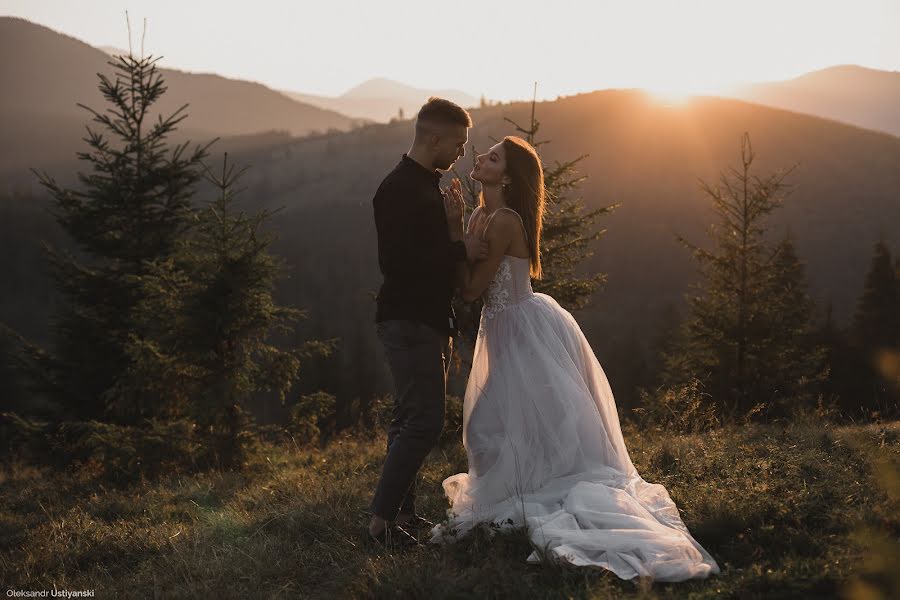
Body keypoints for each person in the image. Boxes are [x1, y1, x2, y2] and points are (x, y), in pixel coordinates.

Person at [433, 136, 720, 582]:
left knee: (509, 419)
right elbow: (469, 285)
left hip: (522, 328)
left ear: (506, 176)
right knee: (499, 421)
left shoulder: (505, 220)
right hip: (501, 327)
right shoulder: (480, 214)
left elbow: (469, 289)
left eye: (492, 158)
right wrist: (460, 232)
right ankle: (526, 487)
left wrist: (453, 232)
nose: (481, 159)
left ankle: (543, 492)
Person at [368, 97, 488, 546]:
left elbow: (431, 255)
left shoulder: (427, 186)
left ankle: (400, 514)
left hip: (427, 318)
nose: (461, 152)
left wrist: (454, 225)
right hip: (407, 318)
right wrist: (460, 250)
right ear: (434, 138)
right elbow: (395, 262)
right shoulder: (399, 188)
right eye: (458, 143)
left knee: (407, 420)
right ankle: (380, 522)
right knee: (424, 421)